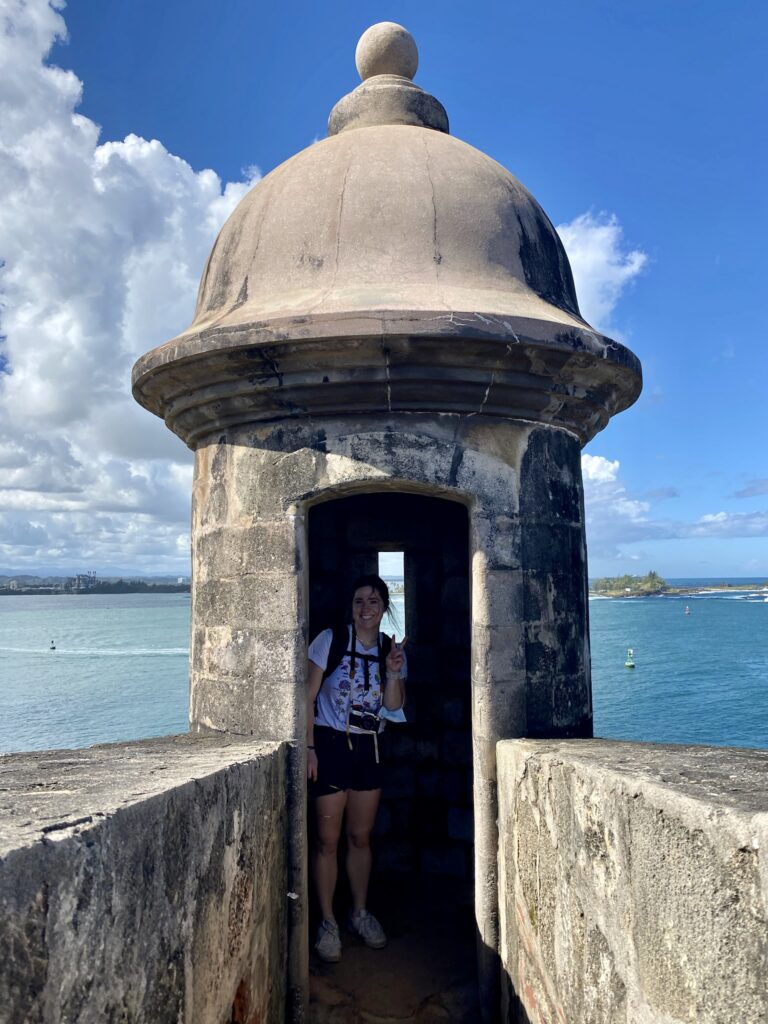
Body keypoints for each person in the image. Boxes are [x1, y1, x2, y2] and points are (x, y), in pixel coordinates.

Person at [307, 574, 407, 963]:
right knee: (327, 841)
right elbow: (308, 698)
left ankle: (360, 913)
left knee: (360, 838)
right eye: (358, 601)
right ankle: (328, 922)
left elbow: (395, 706)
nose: (366, 608)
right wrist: (310, 748)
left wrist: (394, 669)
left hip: (370, 748)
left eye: (374, 601)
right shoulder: (329, 641)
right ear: (351, 607)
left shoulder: (388, 649)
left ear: (385, 607)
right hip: (331, 745)